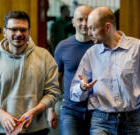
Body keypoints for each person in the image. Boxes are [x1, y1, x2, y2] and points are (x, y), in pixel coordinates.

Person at [70, 7, 140, 135]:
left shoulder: (137, 48)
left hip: (132, 121)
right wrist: (82, 87)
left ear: (107, 27)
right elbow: (74, 93)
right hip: (101, 121)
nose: (89, 33)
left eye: (93, 28)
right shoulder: (91, 54)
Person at [0, 10, 60, 135]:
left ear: (29, 32)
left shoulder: (45, 57)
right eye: (13, 29)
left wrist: (33, 112)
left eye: (23, 30)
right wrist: (1, 115)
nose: (19, 34)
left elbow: (53, 92)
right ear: (4, 32)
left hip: (36, 129)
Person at [48, 6, 93, 135]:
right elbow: (55, 80)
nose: (84, 24)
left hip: (97, 112)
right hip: (70, 111)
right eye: (80, 19)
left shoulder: (101, 46)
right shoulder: (63, 46)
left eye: (88, 19)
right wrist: (50, 110)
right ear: (73, 22)